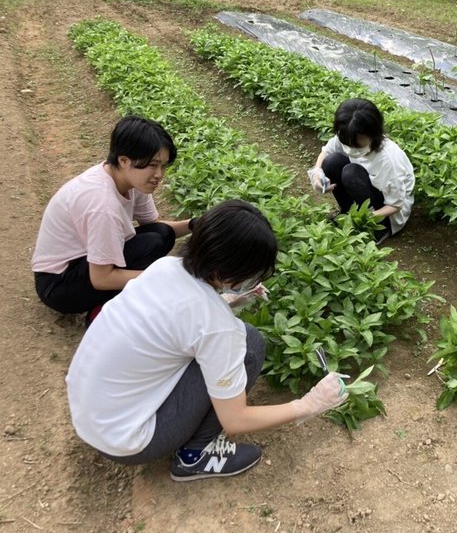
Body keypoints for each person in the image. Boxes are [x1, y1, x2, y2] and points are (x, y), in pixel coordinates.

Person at [65, 200, 347, 481]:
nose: (256, 278)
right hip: (127, 442)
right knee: (250, 345)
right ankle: (195, 456)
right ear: (225, 273)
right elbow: (235, 421)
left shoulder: (164, 267)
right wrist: (309, 404)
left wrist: (227, 301)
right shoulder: (218, 328)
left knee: (219, 346)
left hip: (88, 413)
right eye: (254, 273)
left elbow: (185, 316)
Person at [32, 115, 191, 322]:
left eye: (163, 166)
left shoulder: (131, 179)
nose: (159, 174)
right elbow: (101, 279)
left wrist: (196, 224)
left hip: (82, 264)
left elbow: (154, 226)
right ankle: (104, 310)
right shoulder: (102, 204)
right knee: (154, 243)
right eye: (153, 165)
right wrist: (163, 278)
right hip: (59, 286)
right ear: (124, 160)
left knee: (161, 234)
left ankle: (127, 298)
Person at [309, 98, 415, 244]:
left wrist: (365, 219)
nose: (350, 147)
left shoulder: (388, 159)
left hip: (388, 211)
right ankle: (347, 211)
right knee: (331, 162)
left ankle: (379, 228)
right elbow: (326, 152)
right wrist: (317, 172)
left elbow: (396, 205)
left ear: (374, 133)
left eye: (356, 143)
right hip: (363, 186)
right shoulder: (348, 134)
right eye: (346, 141)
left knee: (350, 172)